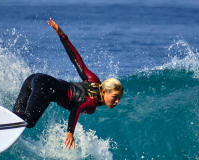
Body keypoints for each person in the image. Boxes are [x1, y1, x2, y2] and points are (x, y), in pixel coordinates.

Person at [13, 19, 123, 149]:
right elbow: (76, 110)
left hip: (35, 78)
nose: (117, 102)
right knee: (29, 121)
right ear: (104, 92)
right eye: (115, 97)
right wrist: (70, 131)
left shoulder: (93, 80)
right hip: (46, 88)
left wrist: (61, 34)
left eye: (118, 99)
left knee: (16, 116)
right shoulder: (92, 103)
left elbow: (76, 60)